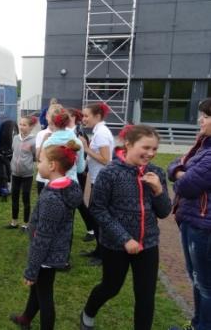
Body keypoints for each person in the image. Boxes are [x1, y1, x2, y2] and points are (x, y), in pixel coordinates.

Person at [80, 125, 171, 330]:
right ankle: (88, 313)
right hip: (115, 244)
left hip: (148, 243)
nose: (150, 153)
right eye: (146, 147)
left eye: (155, 149)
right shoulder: (110, 173)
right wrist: (124, 238)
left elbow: (164, 212)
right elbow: (98, 209)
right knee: (111, 287)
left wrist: (158, 190)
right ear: (128, 144)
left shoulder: (156, 172)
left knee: (146, 295)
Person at [9, 140, 83, 330]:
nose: (37, 164)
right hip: (54, 252)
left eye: (40, 161)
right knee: (39, 288)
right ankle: (26, 318)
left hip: (46, 255)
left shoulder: (52, 198)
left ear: (52, 166)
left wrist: (32, 269)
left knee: (44, 296)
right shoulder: (68, 187)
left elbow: (43, 238)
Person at [167, 98, 211, 330]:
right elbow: (175, 164)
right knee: (197, 277)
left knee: (205, 283)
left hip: (203, 226)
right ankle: (197, 324)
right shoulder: (203, 146)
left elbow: (188, 185)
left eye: (206, 116)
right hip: (193, 220)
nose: (200, 120)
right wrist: (179, 171)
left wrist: (181, 174)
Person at [80, 102, 115, 265]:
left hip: (101, 180)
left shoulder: (101, 133)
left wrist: (86, 149)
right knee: (95, 214)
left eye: (86, 115)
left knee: (98, 216)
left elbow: (106, 159)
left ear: (97, 116)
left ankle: (102, 254)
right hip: (97, 179)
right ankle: (98, 250)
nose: (83, 118)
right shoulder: (99, 131)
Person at [67, 108, 94, 242]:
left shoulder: (78, 132)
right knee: (76, 201)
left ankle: (91, 228)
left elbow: (83, 150)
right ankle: (90, 228)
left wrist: (82, 170)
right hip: (72, 170)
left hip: (79, 171)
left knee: (77, 201)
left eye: (66, 116)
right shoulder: (68, 131)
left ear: (72, 117)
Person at [6, 115, 37, 231]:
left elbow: (35, 156)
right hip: (15, 173)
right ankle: (14, 222)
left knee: (25, 198)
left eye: (24, 125)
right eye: (20, 124)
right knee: (14, 197)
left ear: (31, 127)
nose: (22, 127)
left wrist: (27, 164)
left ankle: (26, 224)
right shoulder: (15, 138)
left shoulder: (33, 140)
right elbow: (14, 151)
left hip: (27, 174)